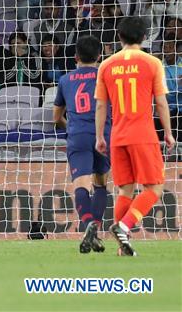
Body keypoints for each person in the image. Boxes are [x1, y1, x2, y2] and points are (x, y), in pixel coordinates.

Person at [94, 17, 175, 256]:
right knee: (155, 188)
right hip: (142, 134)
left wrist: (100, 136)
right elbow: (161, 102)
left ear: (119, 37)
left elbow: (101, 105)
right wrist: (168, 133)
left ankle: (122, 247)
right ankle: (124, 226)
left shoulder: (106, 65)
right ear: (144, 37)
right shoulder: (152, 63)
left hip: (118, 136)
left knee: (125, 191)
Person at [53, 35, 110, 253]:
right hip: (103, 135)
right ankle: (94, 229)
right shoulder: (106, 77)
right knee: (100, 184)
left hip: (78, 136)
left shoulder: (65, 80)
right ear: (99, 56)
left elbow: (56, 117)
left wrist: (71, 127)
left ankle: (87, 224)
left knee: (81, 185)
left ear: (76, 56)